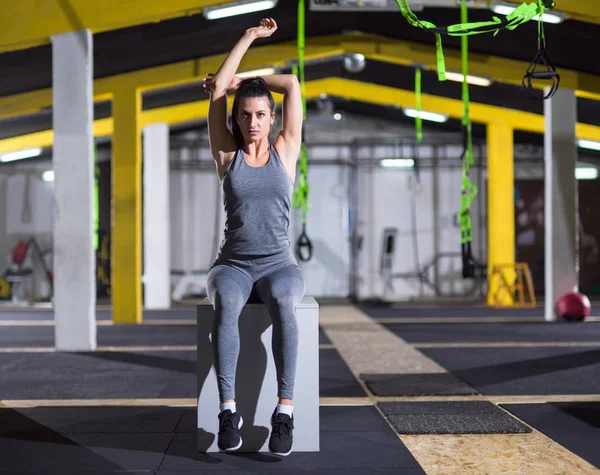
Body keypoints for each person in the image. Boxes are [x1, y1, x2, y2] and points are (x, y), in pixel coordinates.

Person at [202, 18, 306, 457]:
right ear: (236, 119)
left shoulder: (287, 149)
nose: (253, 122)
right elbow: (217, 90)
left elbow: (293, 82)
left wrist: (249, 78)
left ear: (272, 116)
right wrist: (246, 38)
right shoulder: (227, 152)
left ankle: (284, 411)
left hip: (279, 264)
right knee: (226, 301)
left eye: (261, 114)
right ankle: (228, 411)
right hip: (234, 264)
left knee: (284, 301)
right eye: (245, 115)